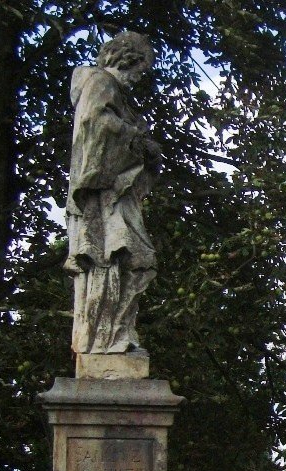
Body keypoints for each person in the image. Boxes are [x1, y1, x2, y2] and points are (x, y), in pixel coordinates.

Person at [65, 32, 161, 356]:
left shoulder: (110, 90)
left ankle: (113, 334)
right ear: (126, 58)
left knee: (129, 260)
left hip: (113, 194)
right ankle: (104, 339)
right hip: (106, 195)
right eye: (140, 69)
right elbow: (97, 124)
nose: (139, 77)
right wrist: (138, 140)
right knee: (119, 258)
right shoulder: (100, 82)